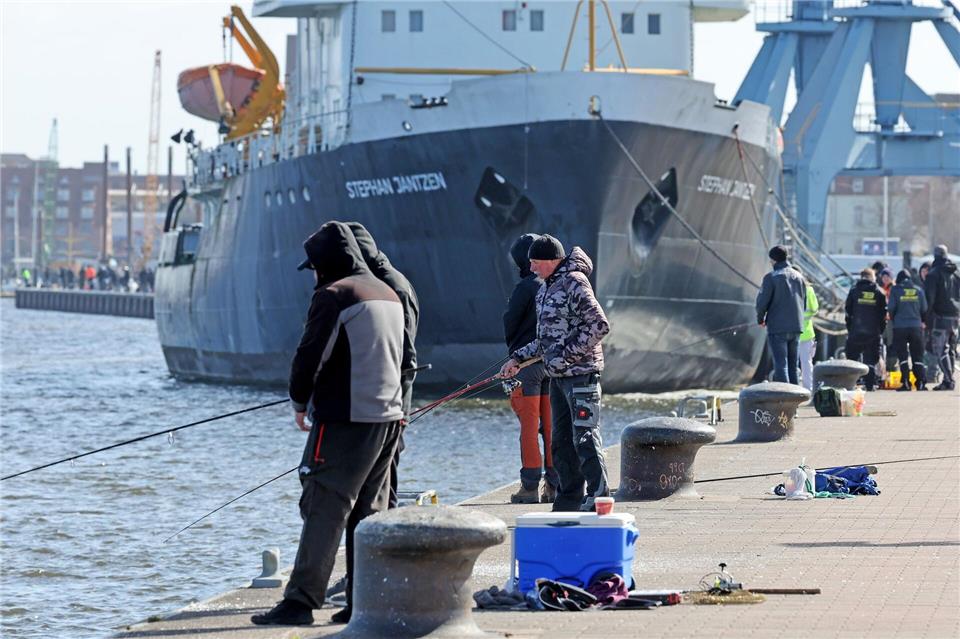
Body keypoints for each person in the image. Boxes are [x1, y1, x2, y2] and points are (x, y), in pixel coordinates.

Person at [251, 221, 404, 627]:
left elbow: (309, 355)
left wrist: (299, 402)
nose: (314, 275)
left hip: (345, 421)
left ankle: (300, 602)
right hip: (389, 419)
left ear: (325, 264)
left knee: (323, 506)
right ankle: (362, 601)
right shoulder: (387, 292)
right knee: (367, 515)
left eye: (314, 267)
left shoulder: (334, 296)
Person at [500, 235, 611, 512]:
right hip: (558, 378)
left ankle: (599, 498)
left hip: (582, 375)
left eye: (536, 262)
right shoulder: (545, 288)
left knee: (585, 437)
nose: (532, 268)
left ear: (552, 260)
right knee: (560, 442)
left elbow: (599, 325)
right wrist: (517, 359)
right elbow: (545, 340)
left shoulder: (575, 282)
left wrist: (565, 357)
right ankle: (568, 501)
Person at [347, 221, 419, 509]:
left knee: (384, 471)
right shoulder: (392, 280)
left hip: (390, 401)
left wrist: (396, 405)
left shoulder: (390, 287)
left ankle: (383, 524)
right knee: (382, 471)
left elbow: (404, 353)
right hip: (389, 400)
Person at [502, 233, 558, 504]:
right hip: (550, 366)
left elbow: (510, 323)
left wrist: (514, 355)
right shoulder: (551, 285)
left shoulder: (525, 288)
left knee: (528, 427)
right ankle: (554, 486)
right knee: (551, 428)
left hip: (527, 367)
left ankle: (529, 486)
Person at [755, 245, 806, 385]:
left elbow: (761, 303)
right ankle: (795, 396)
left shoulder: (771, 277)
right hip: (796, 326)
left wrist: (760, 319)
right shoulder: (800, 277)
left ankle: (785, 395)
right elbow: (804, 301)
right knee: (793, 366)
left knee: (781, 365)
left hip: (778, 327)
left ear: (773, 260)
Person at [924, 245, 959, 391]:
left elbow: (929, 298)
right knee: (950, 349)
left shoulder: (933, 274)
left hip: (940, 317)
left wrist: (926, 317)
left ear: (935, 256)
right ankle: (947, 380)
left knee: (940, 350)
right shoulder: (956, 273)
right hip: (955, 316)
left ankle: (949, 380)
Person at [845, 268, 887, 391]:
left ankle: (850, 385)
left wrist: (851, 329)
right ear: (872, 277)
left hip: (856, 331)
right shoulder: (879, 292)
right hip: (873, 332)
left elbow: (848, 312)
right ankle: (869, 385)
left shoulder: (854, 291)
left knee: (852, 360)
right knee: (871, 360)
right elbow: (883, 315)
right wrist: (880, 330)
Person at [888, 269, 928, 391]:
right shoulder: (918, 290)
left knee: (903, 356)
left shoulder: (895, 290)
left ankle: (905, 382)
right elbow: (924, 308)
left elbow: (891, 308)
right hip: (916, 326)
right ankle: (920, 382)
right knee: (917, 355)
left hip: (900, 327)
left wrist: (895, 319)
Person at [798, 277, 819, 390]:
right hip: (806, 332)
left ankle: (790, 389)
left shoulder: (786, 288)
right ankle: (808, 389)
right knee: (806, 363)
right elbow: (814, 309)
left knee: (789, 363)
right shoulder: (809, 290)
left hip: (789, 331)